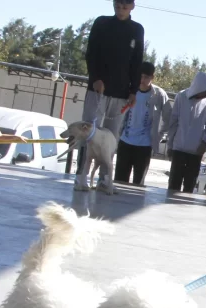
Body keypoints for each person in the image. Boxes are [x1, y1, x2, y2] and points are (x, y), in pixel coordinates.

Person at [82, 0, 144, 189]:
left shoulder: (137, 29)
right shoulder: (101, 23)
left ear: (132, 6)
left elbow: (137, 61)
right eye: (117, 5)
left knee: (111, 137)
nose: (120, 9)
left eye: (125, 6)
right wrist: (95, 78)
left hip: (121, 94)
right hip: (97, 90)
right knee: (88, 132)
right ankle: (82, 175)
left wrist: (134, 91)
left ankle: (104, 178)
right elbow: (91, 53)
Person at [114, 61, 171, 186]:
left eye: (146, 77)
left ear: (152, 77)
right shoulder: (129, 91)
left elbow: (168, 118)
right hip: (125, 141)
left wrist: (159, 136)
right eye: (140, 76)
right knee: (119, 181)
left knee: (138, 184)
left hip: (144, 145)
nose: (142, 80)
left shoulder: (159, 94)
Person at [166, 72, 206, 193]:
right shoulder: (181, 96)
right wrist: (170, 144)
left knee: (190, 185)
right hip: (178, 148)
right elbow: (173, 121)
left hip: (196, 151)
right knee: (173, 184)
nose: (203, 94)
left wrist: (204, 142)